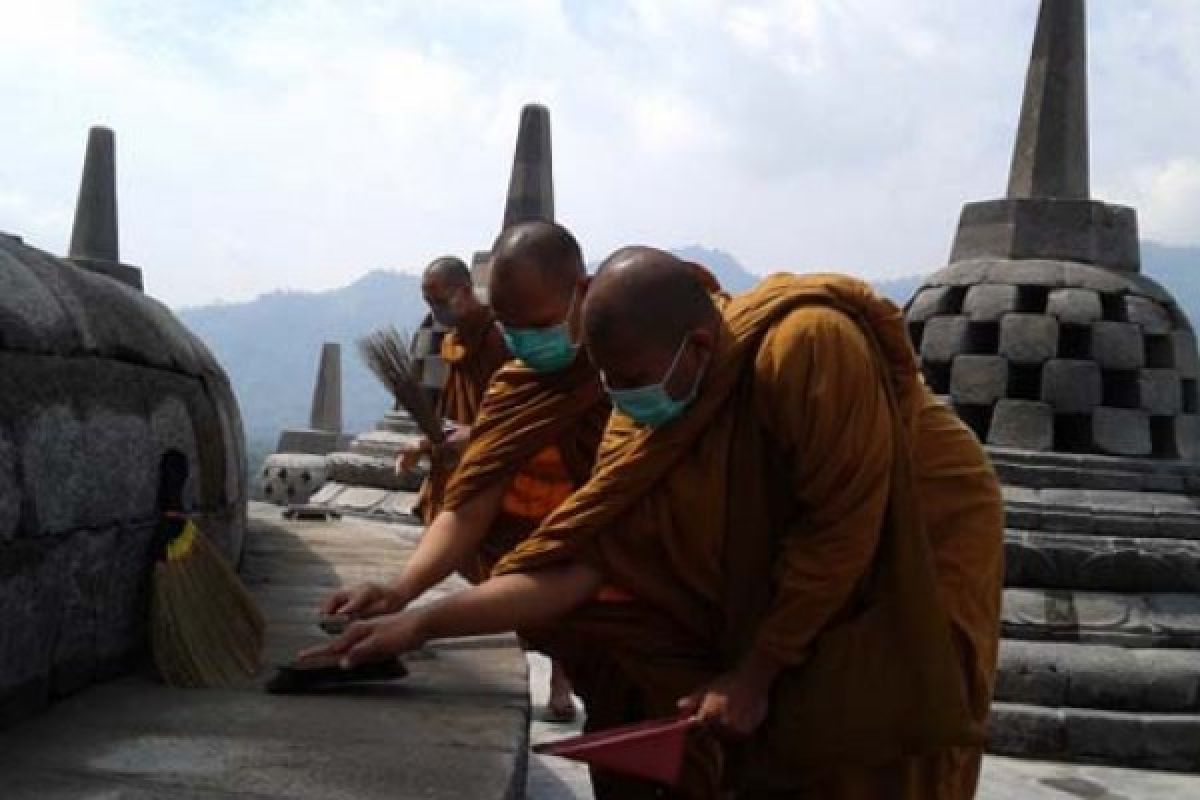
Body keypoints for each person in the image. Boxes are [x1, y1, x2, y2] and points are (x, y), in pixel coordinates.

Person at [304, 247, 1006, 798]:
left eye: (629, 379)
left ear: (698, 349)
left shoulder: (808, 346)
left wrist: (755, 671)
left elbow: (839, 530)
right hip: (781, 579)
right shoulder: (638, 414)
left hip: (913, 544)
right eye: (607, 381)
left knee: (871, 731)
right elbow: (585, 562)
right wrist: (419, 619)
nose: (618, 398)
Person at [323, 222, 611, 726]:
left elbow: (596, 558)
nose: (526, 343)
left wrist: (424, 624)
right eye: (512, 327)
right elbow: (471, 505)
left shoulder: (625, 379)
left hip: (627, 607)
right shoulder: (514, 387)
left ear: (582, 294)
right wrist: (400, 591)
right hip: (543, 570)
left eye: (539, 325)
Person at [400, 255, 509, 523]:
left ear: (465, 291)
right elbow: (450, 417)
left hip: (491, 466)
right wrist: (425, 445)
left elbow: (515, 416)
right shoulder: (451, 344)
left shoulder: (498, 341)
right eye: (429, 303)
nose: (435, 310)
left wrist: (473, 435)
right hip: (454, 465)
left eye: (440, 301)